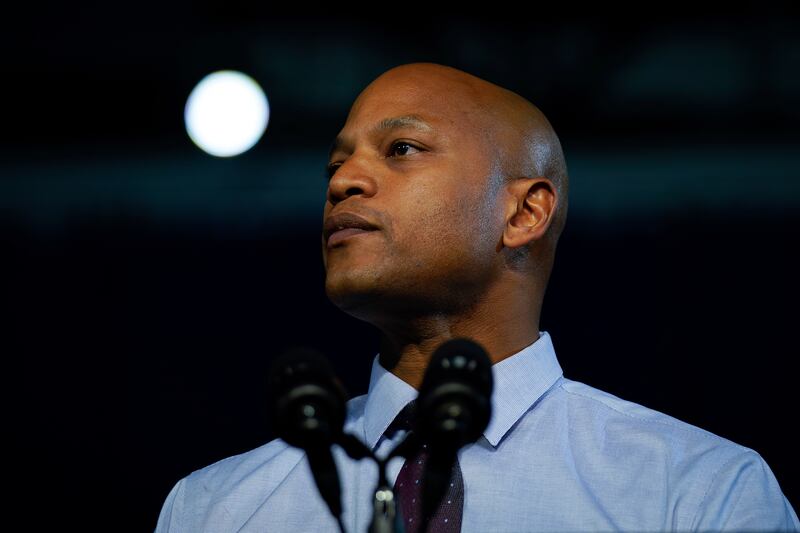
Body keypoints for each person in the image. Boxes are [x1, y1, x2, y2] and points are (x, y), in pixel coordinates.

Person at [155, 62, 799, 532]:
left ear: (524, 213)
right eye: (335, 165)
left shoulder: (697, 493)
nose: (344, 180)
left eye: (401, 149)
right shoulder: (213, 510)